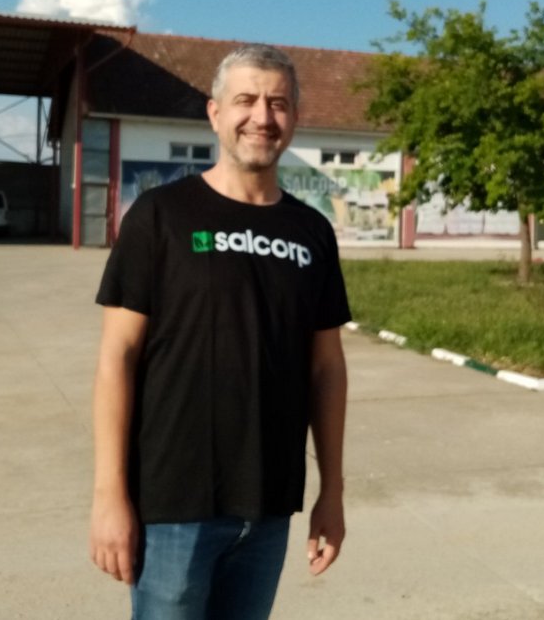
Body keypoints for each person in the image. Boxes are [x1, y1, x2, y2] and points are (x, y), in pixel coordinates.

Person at [88, 44, 350, 620]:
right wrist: (109, 495)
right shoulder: (160, 216)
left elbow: (327, 368)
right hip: (173, 504)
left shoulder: (312, 231)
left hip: (270, 504)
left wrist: (331, 492)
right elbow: (117, 357)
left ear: (294, 117)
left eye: (278, 103)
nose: (262, 116)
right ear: (214, 113)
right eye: (246, 100)